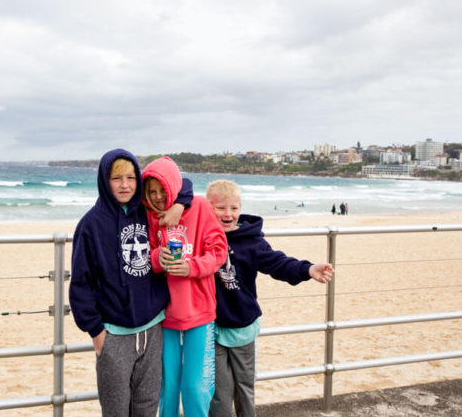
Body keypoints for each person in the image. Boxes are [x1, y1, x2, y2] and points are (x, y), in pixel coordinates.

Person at [69, 149, 193, 417]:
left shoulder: (145, 210)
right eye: (116, 178)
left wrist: (179, 205)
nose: (125, 185)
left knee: (147, 408)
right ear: (104, 180)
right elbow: (80, 283)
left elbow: (181, 185)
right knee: (116, 410)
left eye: (130, 178)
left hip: (153, 328)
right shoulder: (89, 225)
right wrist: (96, 332)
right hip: (113, 335)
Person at [205, 179, 335, 417]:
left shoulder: (251, 241)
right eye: (220, 208)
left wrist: (307, 269)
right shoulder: (201, 236)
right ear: (207, 208)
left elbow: (278, 263)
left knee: (244, 387)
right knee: (218, 393)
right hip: (210, 328)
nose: (228, 214)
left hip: (242, 326)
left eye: (234, 208)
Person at [141, 156, 228, 417]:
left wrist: (193, 267)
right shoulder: (149, 215)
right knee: (168, 388)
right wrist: (158, 259)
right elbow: (148, 254)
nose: (157, 197)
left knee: (195, 388)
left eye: (162, 190)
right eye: (152, 192)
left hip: (199, 313)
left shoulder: (199, 207)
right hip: (164, 316)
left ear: (173, 186)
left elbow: (219, 251)